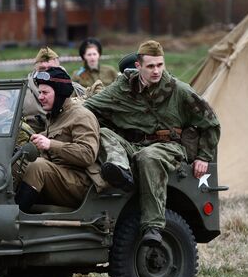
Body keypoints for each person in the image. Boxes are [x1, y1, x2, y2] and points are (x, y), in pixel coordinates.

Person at [84, 40, 221, 245]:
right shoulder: (122, 89)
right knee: (102, 132)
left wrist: (203, 156)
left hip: (168, 146)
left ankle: (154, 227)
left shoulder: (179, 90)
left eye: (160, 65)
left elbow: (211, 122)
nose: (156, 71)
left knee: (148, 157)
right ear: (138, 67)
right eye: (150, 66)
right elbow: (89, 107)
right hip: (132, 145)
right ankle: (120, 169)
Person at [15, 67, 102, 212]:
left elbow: (87, 155)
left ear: (60, 93)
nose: (40, 97)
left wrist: (50, 144)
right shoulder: (55, 114)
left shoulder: (81, 116)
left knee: (38, 167)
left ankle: (15, 218)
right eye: (40, 92)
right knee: (14, 163)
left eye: (45, 93)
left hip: (80, 183)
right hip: (60, 176)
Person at [23, 47, 62, 133]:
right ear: (36, 69)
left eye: (51, 68)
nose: (46, 73)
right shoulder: (23, 93)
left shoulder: (72, 88)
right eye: (42, 69)